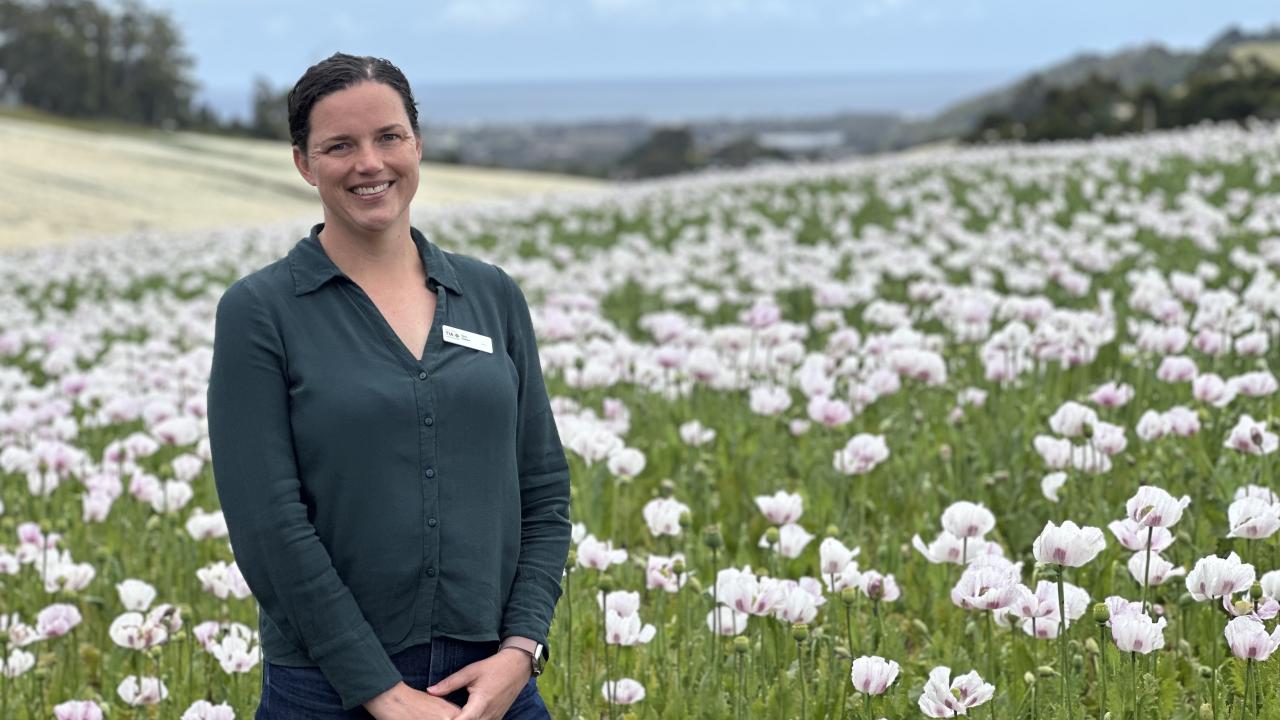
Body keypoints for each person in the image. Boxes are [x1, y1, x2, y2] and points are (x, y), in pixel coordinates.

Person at [206, 52, 571, 720]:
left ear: (418, 145)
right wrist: (377, 690)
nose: (369, 163)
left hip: (492, 685)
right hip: (325, 690)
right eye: (339, 146)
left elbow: (543, 489)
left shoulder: (491, 295)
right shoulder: (261, 311)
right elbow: (268, 528)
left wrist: (522, 651)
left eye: (388, 137)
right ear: (302, 163)